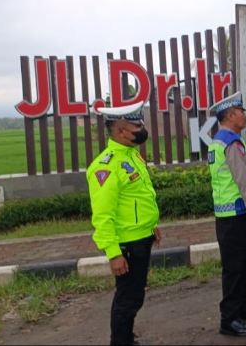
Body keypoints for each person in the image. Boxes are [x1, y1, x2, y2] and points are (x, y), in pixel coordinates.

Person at [86, 101, 161, 346]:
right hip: (127, 245)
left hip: (141, 237)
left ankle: (127, 339)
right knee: (128, 299)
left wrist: (152, 227)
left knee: (133, 296)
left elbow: (139, 198)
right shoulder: (105, 166)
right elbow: (103, 215)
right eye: (136, 124)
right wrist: (113, 253)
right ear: (120, 131)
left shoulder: (131, 155)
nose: (142, 128)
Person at [208, 91, 246, 337]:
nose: (245, 115)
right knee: (235, 268)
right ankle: (229, 319)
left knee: (240, 264)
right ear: (232, 115)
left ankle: (241, 306)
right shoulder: (231, 143)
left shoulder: (218, 141)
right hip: (235, 214)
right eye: (241, 111)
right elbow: (243, 181)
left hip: (228, 215)